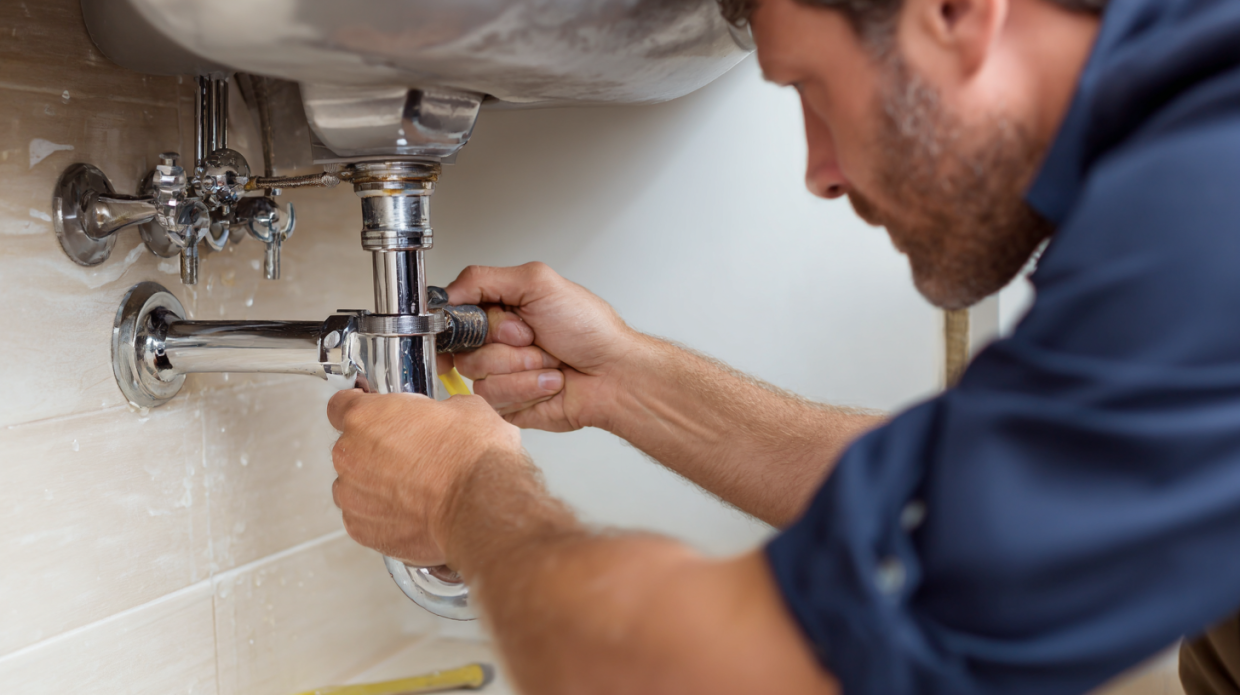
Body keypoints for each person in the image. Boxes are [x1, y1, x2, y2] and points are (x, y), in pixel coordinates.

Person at [325, 0, 1240, 692]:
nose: (819, 172)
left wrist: (462, 494)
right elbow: (986, 503)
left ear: (956, 14)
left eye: (811, 86)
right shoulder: (1183, 130)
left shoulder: (1203, 210)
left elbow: (716, 670)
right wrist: (624, 380)